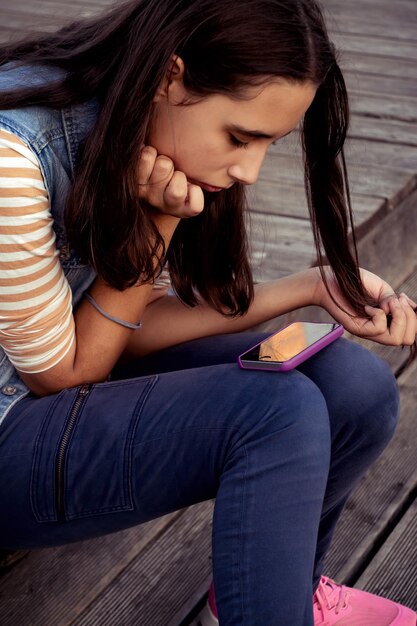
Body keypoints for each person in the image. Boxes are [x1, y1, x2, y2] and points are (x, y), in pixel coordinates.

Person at [0, 0, 416, 624]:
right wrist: (158, 223)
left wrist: (309, 286)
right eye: (239, 137)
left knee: (353, 387)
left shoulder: (139, 127)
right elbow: (61, 375)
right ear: (170, 75)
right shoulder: (14, 157)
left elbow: (127, 328)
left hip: (66, 386)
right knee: (276, 412)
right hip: (15, 426)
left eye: (269, 143)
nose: (249, 170)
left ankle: (273, 593)